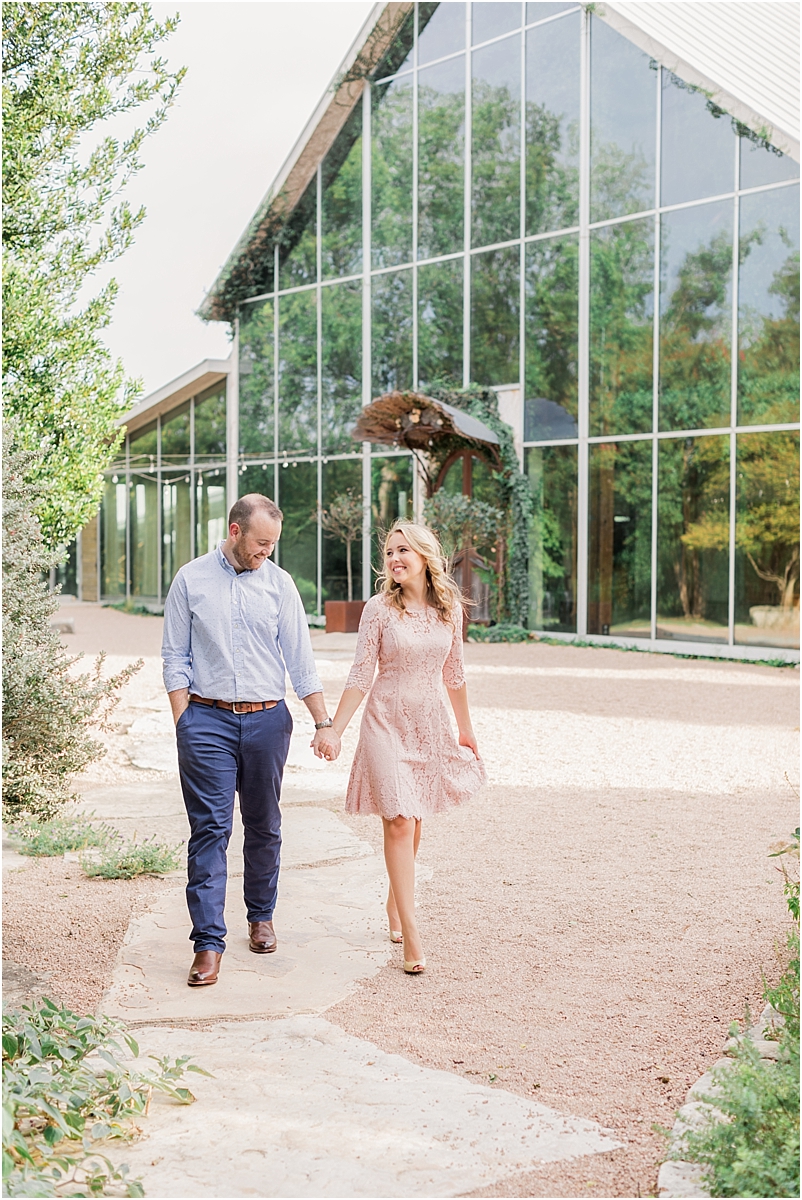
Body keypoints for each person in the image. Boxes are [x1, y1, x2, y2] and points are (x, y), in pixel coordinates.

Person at [162, 494, 340, 988]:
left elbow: (300, 662)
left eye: (273, 545)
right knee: (210, 831)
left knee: (264, 823)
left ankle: (261, 915)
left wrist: (323, 723)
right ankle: (207, 943)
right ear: (236, 532)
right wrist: (186, 722)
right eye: (261, 544)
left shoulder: (280, 585)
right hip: (207, 721)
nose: (267, 553)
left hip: (267, 721)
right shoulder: (191, 579)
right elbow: (174, 656)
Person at [324, 520, 486, 975]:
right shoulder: (378, 609)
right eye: (390, 552)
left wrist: (466, 729)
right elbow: (360, 674)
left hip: (428, 723)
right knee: (398, 818)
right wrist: (335, 729)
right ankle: (412, 931)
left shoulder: (448, 609)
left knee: (413, 822)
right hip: (384, 721)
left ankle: (397, 902)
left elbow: (454, 674)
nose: (394, 559)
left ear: (424, 558)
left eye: (403, 552)